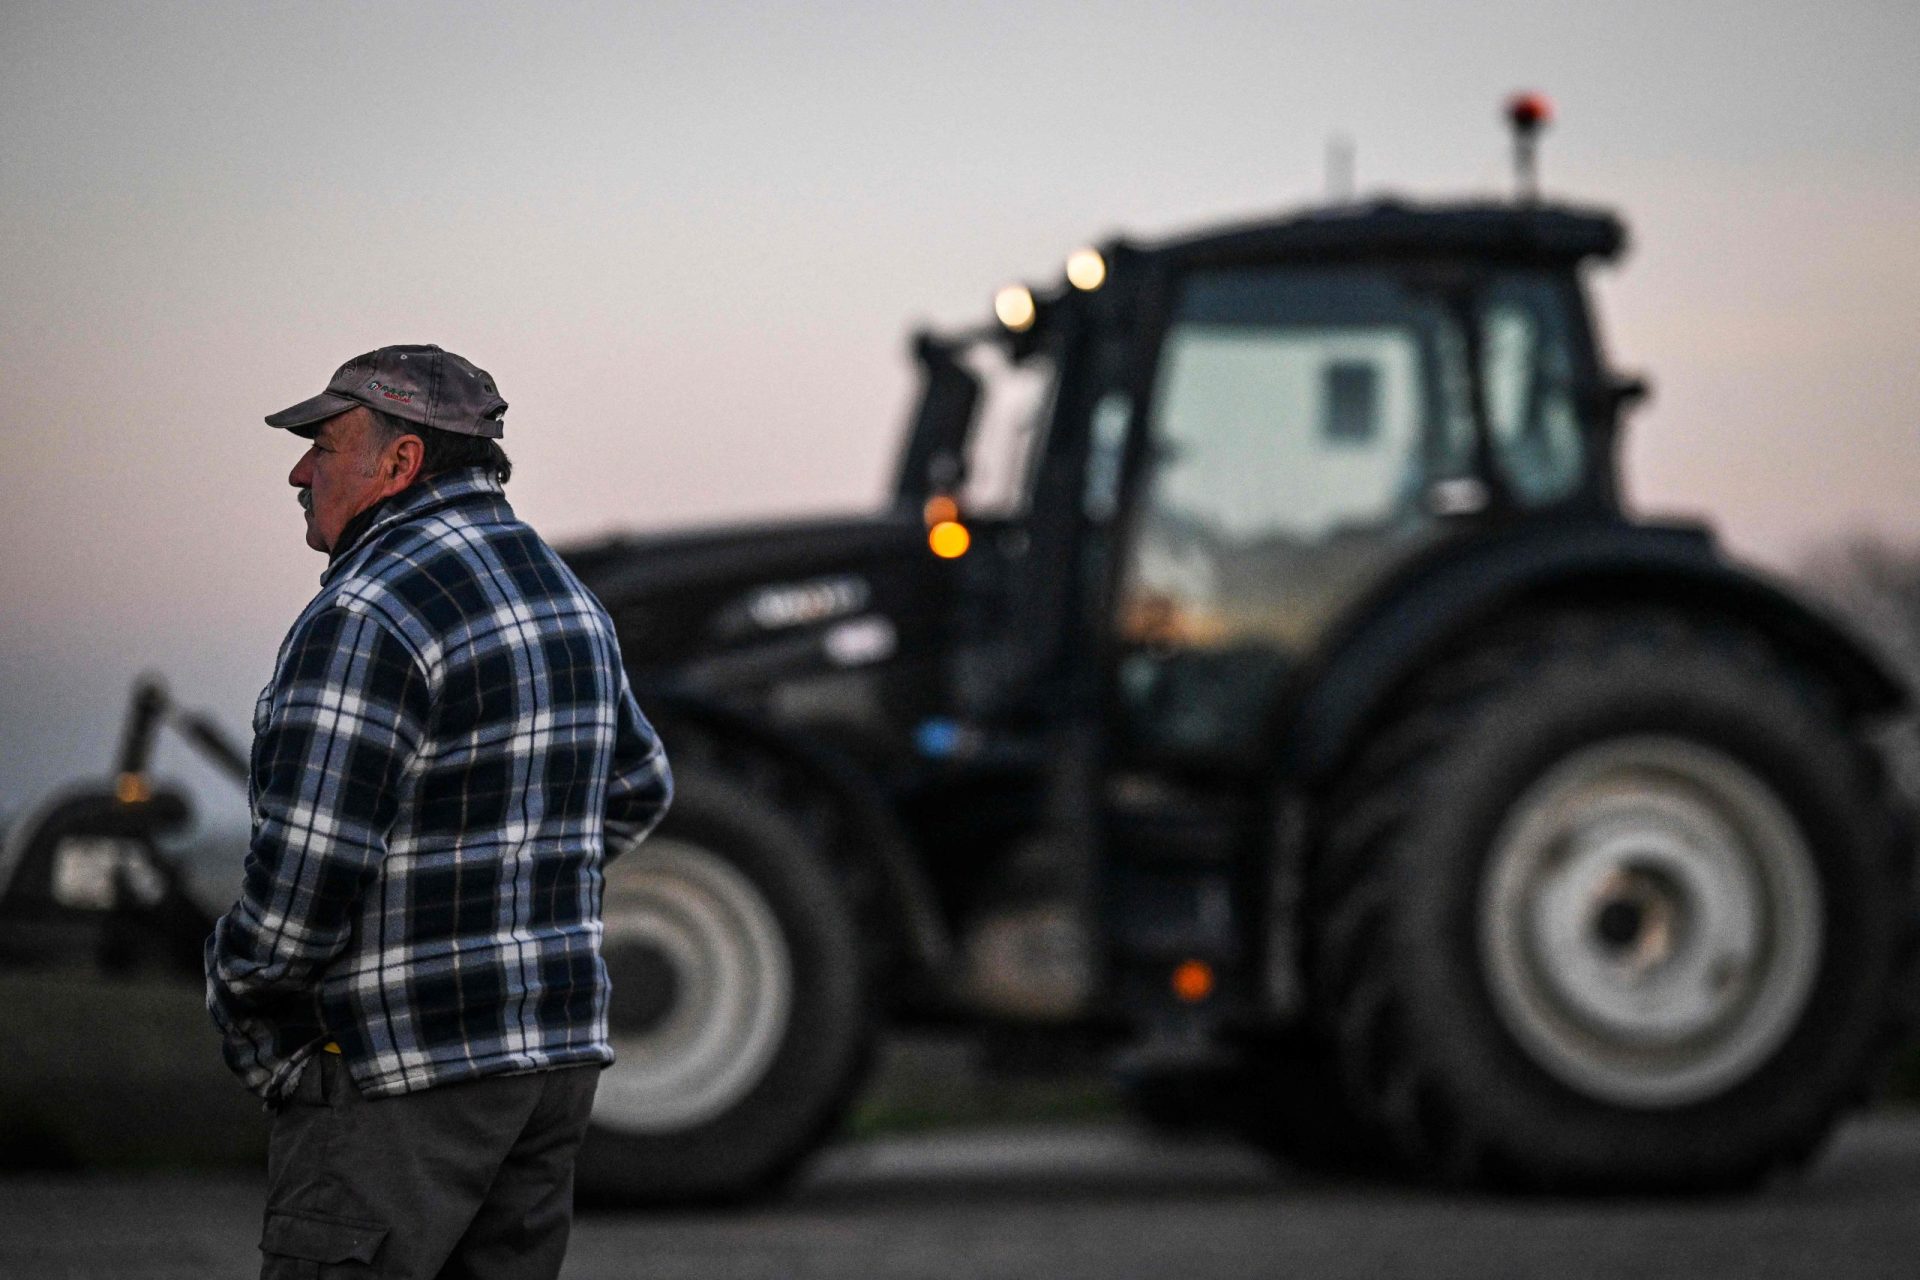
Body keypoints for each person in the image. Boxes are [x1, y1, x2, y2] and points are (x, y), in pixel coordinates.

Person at [205, 344, 671, 1279]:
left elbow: (307, 867)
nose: (299, 471)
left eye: (323, 445)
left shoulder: (369, 610)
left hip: (399, 1068)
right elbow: (640, 785)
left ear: (400, 462)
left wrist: (243, 992)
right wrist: (512, 898)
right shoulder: (566, 598)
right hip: (550, 1068)